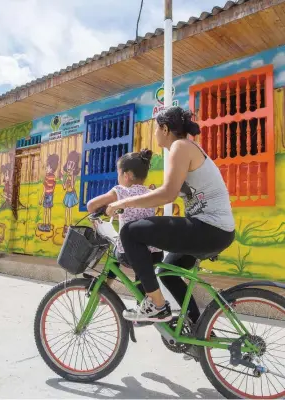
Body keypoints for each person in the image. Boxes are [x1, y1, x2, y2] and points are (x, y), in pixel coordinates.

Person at [106, 106, 235, 323]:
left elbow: (167, 194)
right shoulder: (184, 148)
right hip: (211, 229)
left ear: (165, 129)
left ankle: (156, 305)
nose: (155, 133)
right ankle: (197, 327)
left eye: (156, 128)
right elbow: (168, 193)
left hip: (210, 228)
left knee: (130, 232)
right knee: (168, 273)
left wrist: (123, 203)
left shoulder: (181, 147)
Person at [87, 149, 164, 293]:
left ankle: (104, 288)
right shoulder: (150, 193)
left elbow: (91, 205)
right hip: (154, 253)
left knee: (117, 247)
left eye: (118, 173)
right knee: (141, 280)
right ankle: (144, 305)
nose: (118, 177)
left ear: (127, 175)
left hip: (129, 253)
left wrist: (105, 210)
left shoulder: (121, 191)